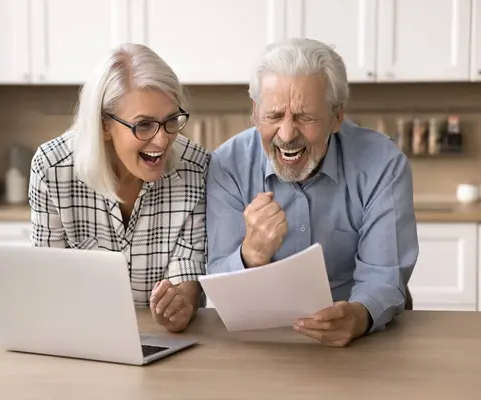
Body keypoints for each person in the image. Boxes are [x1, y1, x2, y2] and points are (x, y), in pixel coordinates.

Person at [205, 38, 418, 347]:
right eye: (274, 116)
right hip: (263, 342)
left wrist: (359, 316)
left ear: (336, 116)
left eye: (305, 117)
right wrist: (250, 254)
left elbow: (383, 275)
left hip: (360, 344)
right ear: (255, 112)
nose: (288, 135)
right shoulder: (227, 166)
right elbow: (217, 283)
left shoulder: (382, 164)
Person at [28, 43, 209, 333]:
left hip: (162, 341)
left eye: (171, 121)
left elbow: (187, 270)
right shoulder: (52, 168)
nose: (162, 141)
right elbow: (47, 281)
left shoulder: (196, 168)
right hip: (80, 335)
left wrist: (179, 307)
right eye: (144, 125)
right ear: (103, 125)